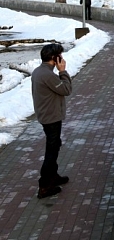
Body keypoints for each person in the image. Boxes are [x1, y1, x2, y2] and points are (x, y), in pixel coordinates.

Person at [31, 43, 72, 199]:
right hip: (51, 117)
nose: (62, 59)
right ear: (55, 58)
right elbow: (66, 90)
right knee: (51, 150)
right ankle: (44, 186)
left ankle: (53, 176)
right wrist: (63, 72)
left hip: (46, 115)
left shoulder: (39, 71)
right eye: (60, 56)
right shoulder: (47, 75)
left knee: (54, 145)